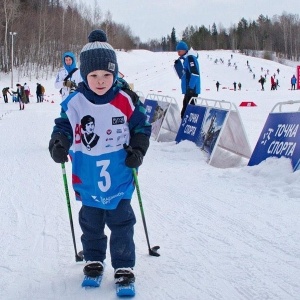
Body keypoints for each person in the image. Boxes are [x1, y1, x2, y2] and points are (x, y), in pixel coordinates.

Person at [48, 29, 151, 286]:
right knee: (91, 223)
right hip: (88, 176)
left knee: (122, 223)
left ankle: (124, 266)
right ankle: (94, 260)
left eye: (107, 74)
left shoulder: (126, 100)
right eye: (94, 75)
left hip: (119, 174)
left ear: (115, 74)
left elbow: (142, 127)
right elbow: (63, 127)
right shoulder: (75, 102)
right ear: (85, 76)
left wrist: (138, 150)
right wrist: (58, 143)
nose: (101, 80)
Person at [174, 41, 200, 118]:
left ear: (184, 50)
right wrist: (178, 67)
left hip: (192, 89)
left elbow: (195, 74)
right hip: (188, 89)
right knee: (185, 111)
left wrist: (191, 87)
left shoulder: (190, 58)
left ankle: (189, 126)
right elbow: (183, 75)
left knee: (188, 112)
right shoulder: (185, 59)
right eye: (177, 51)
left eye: (179, 51)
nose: (178, 53)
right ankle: (184, 125)